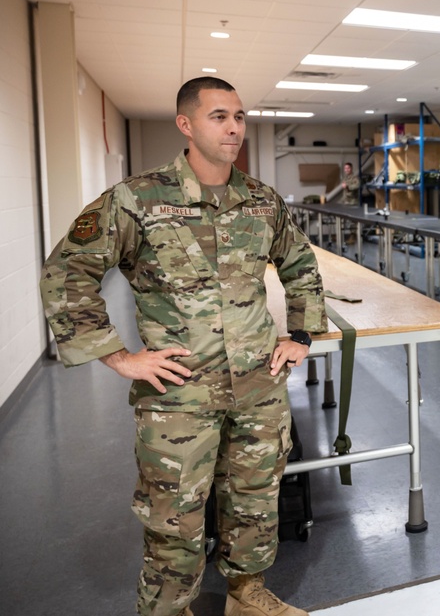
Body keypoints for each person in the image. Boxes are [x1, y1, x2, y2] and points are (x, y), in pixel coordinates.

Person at [40, 77, 328, 616]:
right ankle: (169, 610)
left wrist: (301, 334)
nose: (234, 128)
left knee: (255, 500)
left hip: (258, 383)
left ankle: (247, 595)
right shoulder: (139, 199)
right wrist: (118, 355)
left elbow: (300, 264)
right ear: (186, 124)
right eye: (219, 116)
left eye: (240, 116)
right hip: (179, 391)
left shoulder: (262, 201)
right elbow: (67, 271)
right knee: (175, 513)